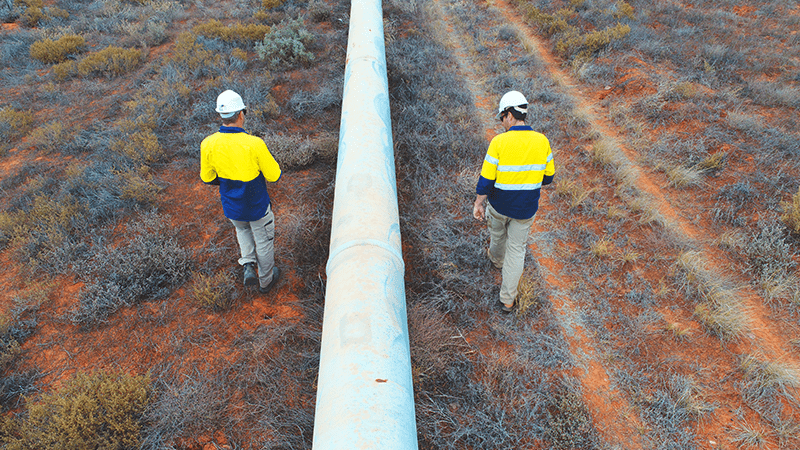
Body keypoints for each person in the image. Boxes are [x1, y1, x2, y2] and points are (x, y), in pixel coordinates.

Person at [473, 90, 555, 313]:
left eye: (502, 117)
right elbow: (548, 177)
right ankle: (508, 300)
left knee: (498, 235)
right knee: (517, 251)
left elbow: (486, 180)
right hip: (526, 208)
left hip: (499, 205)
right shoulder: (542, 141)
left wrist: (479, 203)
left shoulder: (499, 142)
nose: (502, 122)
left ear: (509, 115)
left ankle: (496, 260)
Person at [201, 89, 282, 294]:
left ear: (221, 115)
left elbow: (207, 178)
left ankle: (248, 264)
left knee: (242, 230)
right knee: (263, 241)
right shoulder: (254, 144)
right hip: (256, 205)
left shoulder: (208, 143)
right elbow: (274, 176)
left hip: (232, 206)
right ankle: (265, 281)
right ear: (240, 114)